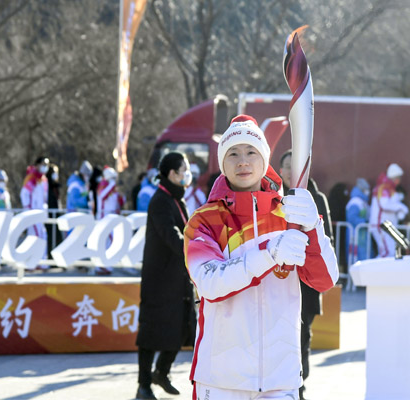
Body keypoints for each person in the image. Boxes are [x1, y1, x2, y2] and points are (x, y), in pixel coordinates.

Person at [185, 115, 338, 400]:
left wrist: (314, 228)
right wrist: (269, 253)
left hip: (280, 380)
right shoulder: (204, 221)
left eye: (251, 152)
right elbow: (209, 283)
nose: (243, 161)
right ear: (222, 163)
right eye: (233, 153)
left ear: (264, 158)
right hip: (221, 381)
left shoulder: (289, 215)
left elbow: (325, 279)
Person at [135, 152, 196, 400]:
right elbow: (172, 235)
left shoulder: (177, 200)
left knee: (182, 328)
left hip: (178, 279)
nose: (188, 174)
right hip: (159, 281)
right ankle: (143, 385)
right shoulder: (160, 201)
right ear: (172, 174)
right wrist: (194, 248)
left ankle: (161, 372)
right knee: (151, 334)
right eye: (185, 169)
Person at [279, 149, 334, 400]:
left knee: (303, 335)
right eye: (287, 166)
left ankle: (300, 385)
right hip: (282, 280)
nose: (291, 171)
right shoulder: (273, 196)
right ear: (280, 170)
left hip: (308, 283)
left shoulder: (317, 197)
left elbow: (326, 239)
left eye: (296, 165)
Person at [369, 163, 408, 258]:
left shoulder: (388, 188)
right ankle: (375, 272)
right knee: (387, 253)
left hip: (386, 227)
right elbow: (384, 204)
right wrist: (401, 207)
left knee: (388, 252)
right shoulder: (383, 188)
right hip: (381, 226)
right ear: (394, 177)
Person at [94, 166, 125, 276]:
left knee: (110, 242)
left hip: (112, 218)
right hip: (103, 217)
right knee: (103, 242)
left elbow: (119, 202)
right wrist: (112, 185)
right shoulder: (103, 185)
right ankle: (100, 266)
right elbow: (102, 196)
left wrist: (121, 195)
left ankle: (107, 265)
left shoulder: (113, 188)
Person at [20, 157, 49, 271]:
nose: (45, 166)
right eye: (42, 164)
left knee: (39, 235)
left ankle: (36, 261)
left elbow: (44, 197)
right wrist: (28, 209)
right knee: (37, 236)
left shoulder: (43, 179)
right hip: (33, 213)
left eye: (46, 164)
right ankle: (36, 262)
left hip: (40, 213)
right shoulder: (31, 178)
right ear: (36, 165)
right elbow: (25, 194)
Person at [346, 178, 371, 262]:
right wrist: (365, 222)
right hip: (354, 234)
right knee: (355, 256)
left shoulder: (362, 201)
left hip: (361, 234)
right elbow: (352, 218)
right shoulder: (355, 202)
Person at [46, 163, 63, 259]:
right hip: (50, 215)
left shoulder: (56, 186)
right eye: (54, 173)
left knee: (58, 237)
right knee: (51, 237)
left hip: (56, 215)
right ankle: (50, 258)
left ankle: (57, 259)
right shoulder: (47, 186)